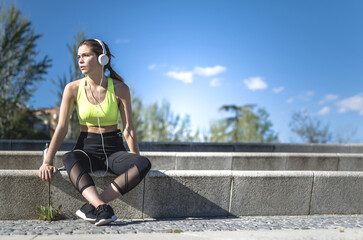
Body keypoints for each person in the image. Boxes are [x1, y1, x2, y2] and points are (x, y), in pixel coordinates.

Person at [38, 39, 151, 226]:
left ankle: (92, 206)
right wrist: (47, 162)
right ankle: (102, 207)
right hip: (87, 148)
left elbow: (129, 128)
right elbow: (62, 127)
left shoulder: (121, 89)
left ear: (102, 58)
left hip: (114, 150)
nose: (80, 61)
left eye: (86, 55)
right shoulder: (72, 89)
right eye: (78, 57)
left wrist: (134, 162)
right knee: (69, 158)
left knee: (143, 163)